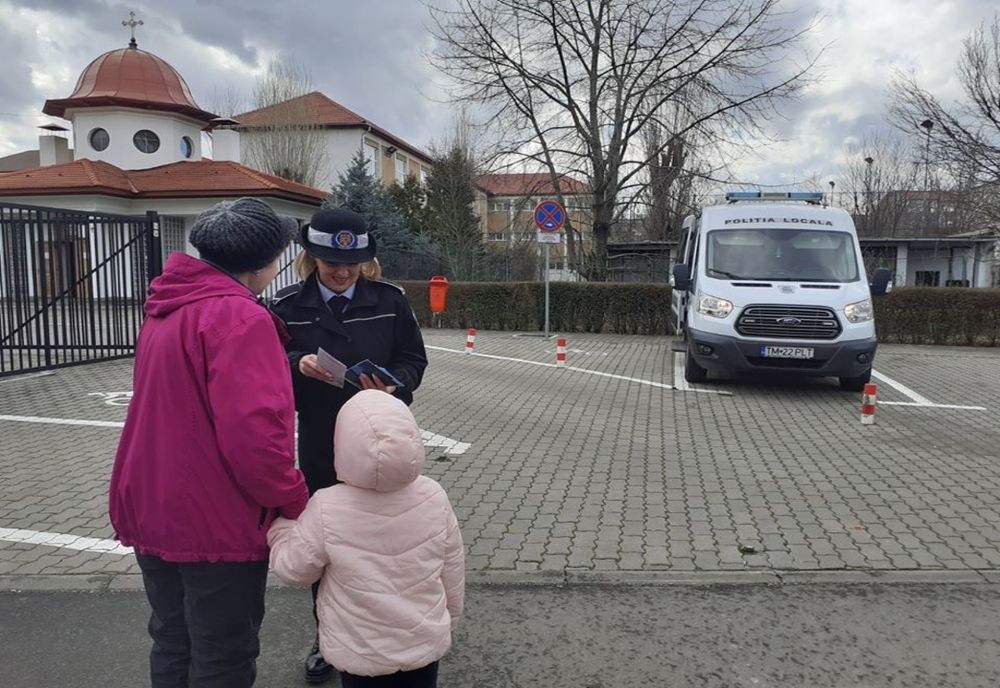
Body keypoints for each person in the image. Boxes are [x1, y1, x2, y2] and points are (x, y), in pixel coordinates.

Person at [109, 198, 310, 688]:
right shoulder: (240, 319)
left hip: (152, 502)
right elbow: (255, 439)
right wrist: (292, 499)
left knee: (173, 640)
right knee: (223, 655)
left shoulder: (167, 308)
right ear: (269, 260)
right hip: (213, 519)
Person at [270, 207, 428, 683]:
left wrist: (396, 383)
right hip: (321, 440)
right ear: (310, 258)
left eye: (352, 264)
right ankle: (328, 636)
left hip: (382, 440)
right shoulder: (285, 307)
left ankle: (397, 631)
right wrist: (296, 364)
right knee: (330, 543)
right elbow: (268, 368)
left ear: (367, 262)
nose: (341, 272)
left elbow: (413, 359)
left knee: (387, 540)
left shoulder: (391, 301)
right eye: (330, 263)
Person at [268, 390, 465, 688]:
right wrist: (449, 619)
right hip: (422, 643)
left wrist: (281, 530)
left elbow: (294, 570)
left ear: (343, 445)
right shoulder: (434, 496)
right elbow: (452, 570)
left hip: (360, 651)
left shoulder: (327, 506)